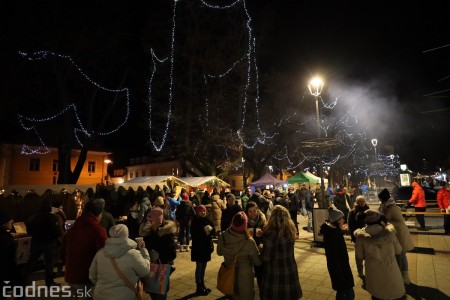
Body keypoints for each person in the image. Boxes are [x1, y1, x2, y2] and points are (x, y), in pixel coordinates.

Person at [89, 224, 151, 300]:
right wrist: (144, 250)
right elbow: (145, 271)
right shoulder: (133, 254)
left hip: (100, 295)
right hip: (125, 296)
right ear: (126, 235)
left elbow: (92, 275)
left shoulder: (100, 253)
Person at [354, 210, 405, 300]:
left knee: (377, 294)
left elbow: (359, 256)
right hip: (390, 268)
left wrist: (360, 271)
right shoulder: (389, 233)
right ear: (380, 219)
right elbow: (398, 250)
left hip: (373, 269)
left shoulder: (361, 236)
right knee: (392, 291)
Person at [61, 201, 108, 297]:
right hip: (87, 278)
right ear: (97, 214)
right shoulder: (98, 231)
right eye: (101, 214)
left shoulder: (73, 229)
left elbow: (62, 252)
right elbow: (104, 255)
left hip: (70, 276)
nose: (101, 217)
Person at [260, 205, 302, 300]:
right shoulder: (290, 231)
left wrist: (261, 249)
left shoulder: (271, 234)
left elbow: (266, 257)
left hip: (274, 272)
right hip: (289, 268)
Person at [217, 211, 262, 300]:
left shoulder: (223, 236)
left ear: (233, 222)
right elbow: (257, 262)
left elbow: (219, 252)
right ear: (245, 225)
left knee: (232, 295)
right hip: (245, 274)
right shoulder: (249, 241)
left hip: (229, 271)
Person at [378, 188, 414, 285]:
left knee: (402, 255)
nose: (380, 201)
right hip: (392, 235)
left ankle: (405, 277)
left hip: (400, 235)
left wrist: (386, 222)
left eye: (381, 199)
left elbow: (400, 222)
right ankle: (398, 275)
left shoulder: (394, 208)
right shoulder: (384, 206)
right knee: (396, 255)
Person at [142, 207, 177, 300]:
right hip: (152, 269)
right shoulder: (151, 231)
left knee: (160, 295)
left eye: (150, 218)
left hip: (161, 270)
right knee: (154, 294)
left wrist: (159, 255)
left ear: (156, 220)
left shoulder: (166, 234)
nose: (148, 220)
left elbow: (172, 254)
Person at [25, 198, 61, 287]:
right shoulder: (52, 217)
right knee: (49, 263)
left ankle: (23, 279)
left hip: (36, 242)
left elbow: (29, 230)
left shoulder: (33, 217)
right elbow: (56, 231)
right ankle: (49, 282)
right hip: (49, 243)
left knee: (31, 262)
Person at [320, 207, 354, 299]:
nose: (343, 220)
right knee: (347, 294)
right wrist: (340, 276)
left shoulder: (333, 231)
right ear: (337, 220)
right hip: (340, 270)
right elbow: (334, 257)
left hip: (341, 268)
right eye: (342, 218)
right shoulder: (333, 235)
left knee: (344, 292)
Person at [190, 205, 215, 295]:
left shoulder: (208, 220)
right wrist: (203, 231)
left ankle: (203, 285)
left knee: (204, 267)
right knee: (199, 267)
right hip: (198, 247)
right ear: (198, 212)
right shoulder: (195, 221)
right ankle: (198, 287)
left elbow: (214, 232)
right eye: (201, 211)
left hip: (206, 247)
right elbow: (193, 234)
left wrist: (211, 230)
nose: (203, 212)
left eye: (204, 211)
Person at [0, 210, 24, 298]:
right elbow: (10, 257)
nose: (12, 221)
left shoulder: (4, 235)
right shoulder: (4, 238)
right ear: (4, 222)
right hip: (7, 270)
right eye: (10, 219)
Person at [245, 201, 267, 288]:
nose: (252, 213)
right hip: (247, 250)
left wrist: (263, 233)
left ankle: (261, 288)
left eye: (254, 211)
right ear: (247, 212)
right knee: (248, 271)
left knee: (259, 271)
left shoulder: (263, 221)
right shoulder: (244, 222)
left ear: (258, 211)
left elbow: (268, 235)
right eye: (250, 211)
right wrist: (246, 234)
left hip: (259, 249)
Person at [347, 195, 370, 279]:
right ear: (357, 202)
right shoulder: (353, 212)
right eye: (360, 202)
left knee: (368, 255)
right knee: (359, 256)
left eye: (363, 201)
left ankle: (368, 271)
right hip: (358, 237)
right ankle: (360, 272)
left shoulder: (368, 210)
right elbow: (350, 225)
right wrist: (353, 237)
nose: (361, 203)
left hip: (367, 236)